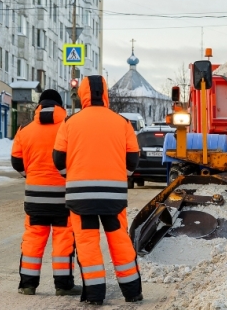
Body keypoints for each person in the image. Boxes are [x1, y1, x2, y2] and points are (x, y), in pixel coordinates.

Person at [53, 76, 142, 305]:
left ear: (82, 94)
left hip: (80, 197)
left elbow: (58, 158)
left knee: (87, 244)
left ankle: (94, 295)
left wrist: (69, 176)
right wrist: (123, 177)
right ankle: (132, 292)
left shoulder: (70, 123)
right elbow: (133, 159)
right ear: (105, 94)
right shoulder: (121, 122)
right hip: (113, 196)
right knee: (119, 240)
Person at [10, 89, 80, 297]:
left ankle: (28, 285)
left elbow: (16, 162)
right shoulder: (69, 128)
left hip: (34, 197)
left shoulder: (25, 129)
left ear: (39, 106)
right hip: (63, 198)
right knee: (63, 240)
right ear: (60, 107)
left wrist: (29, 175)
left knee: (33, 239)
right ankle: (63, 285)